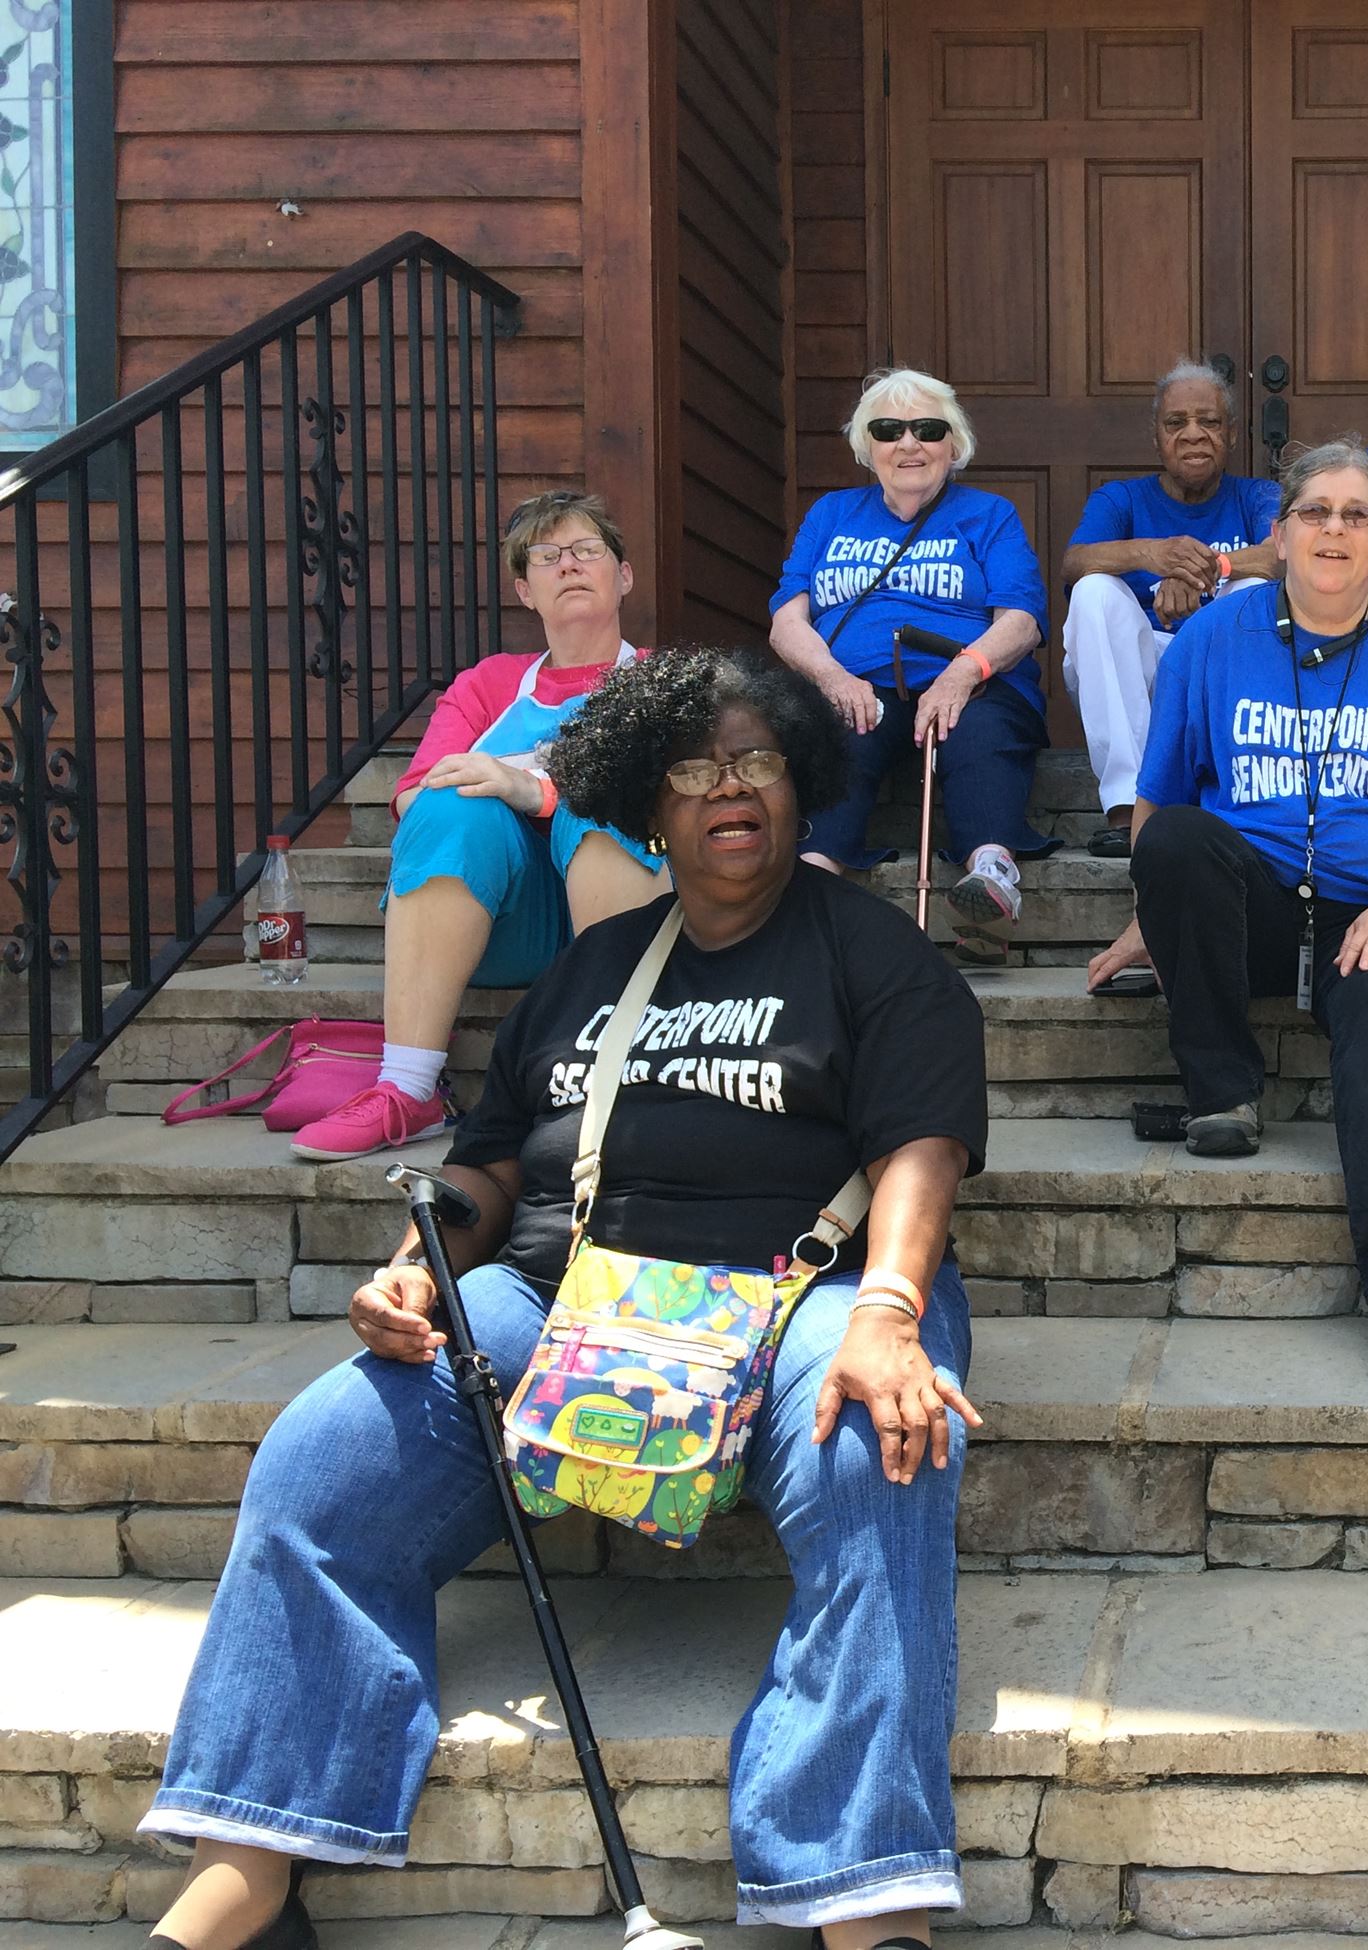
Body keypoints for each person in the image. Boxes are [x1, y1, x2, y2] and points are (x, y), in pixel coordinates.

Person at [141, 650, 990, 1947]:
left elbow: (922, 1140)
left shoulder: (869, 950)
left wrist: (887, 1303)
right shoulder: (591, 972)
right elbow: (487, 1166)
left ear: (800, 783)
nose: (729, 786)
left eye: (757, 757)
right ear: (646, 804)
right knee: (323, 1458)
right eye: (695, 766)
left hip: (812, 1284)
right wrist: (429, 1265)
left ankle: (865, 1895)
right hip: (569, 1293)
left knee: (885, 1440)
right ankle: (248, 1859)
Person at [1084, 441, 1368, 1374]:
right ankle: (1221, 1092)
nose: (1334, 529)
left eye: (1356, 514)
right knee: (1179, 838)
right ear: (1278, 533)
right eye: (1315, 512)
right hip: (1250, 906)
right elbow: (1159, 800)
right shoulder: (1211, 641)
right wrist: (1158, 913)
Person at [289, 491, 669, 1161]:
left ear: (624, 574)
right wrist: (498, 799)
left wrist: (534, 790)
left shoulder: (661, 680)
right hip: (504, 918)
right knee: (448, 805)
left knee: (606, 796)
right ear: (525, 590)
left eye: (587, 551)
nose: (570, 566)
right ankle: (408, 1088)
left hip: (629, 904)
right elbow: (413, 797)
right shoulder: (489, 685)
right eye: (548, 557)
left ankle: (613, 1071)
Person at [771, 367, 1054, 963]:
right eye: (889, 429)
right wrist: (832, 676)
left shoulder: (988, 514)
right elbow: (787, 621)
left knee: (977, 732)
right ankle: (811, 886)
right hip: (856, 684)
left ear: (954, 445)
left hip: (968, 683)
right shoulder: (831, 514)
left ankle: (990, 879)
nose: (908, 444)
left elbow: (1022, 621)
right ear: (865, 444)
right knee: (839, 735)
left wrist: (962, 674)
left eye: (927, 429)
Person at [1061, 358, 1282, 855]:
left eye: (1208, 421)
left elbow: (1281, 554)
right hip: (1135, 674)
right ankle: (1126, 809)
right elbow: (1073, 563)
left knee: (1252, 593)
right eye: (1176, 422)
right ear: (1156, 437)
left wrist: (1204, 572)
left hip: (1215, 671)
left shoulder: (1257, 496)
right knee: (1094, 590)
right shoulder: (1121, 498)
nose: (1193, 434)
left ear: (1231, 433)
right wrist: (1154, 554)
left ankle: (1232, 801)